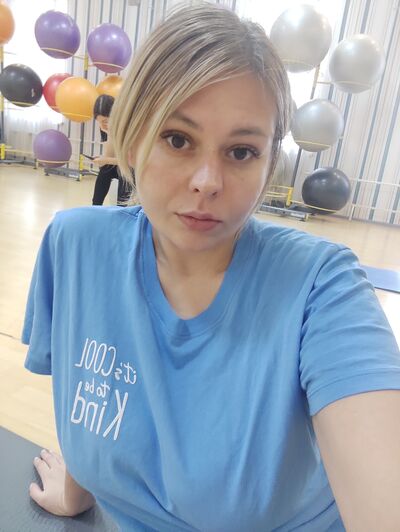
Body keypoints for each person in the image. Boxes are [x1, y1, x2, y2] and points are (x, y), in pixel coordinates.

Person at [22, 4, 400, 531]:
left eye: (241, 152)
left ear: (268, 163)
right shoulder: (75, 247)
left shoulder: (321, 287)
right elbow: (91, 401)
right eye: (177, 139)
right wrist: (76, 489)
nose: (207, 181)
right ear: (132, 137)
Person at [91, 94, 133, 206]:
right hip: (120, 164)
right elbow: (109, 156)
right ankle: (96, 206)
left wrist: (106, 160)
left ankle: (121, 208)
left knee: (125, 172)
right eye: (99, 121)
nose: (102, 125)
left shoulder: (127, 126)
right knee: (105, 168)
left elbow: (129, 161)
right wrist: (109, 133)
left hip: (132, 168)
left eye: (105, 121)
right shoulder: (104, 128)